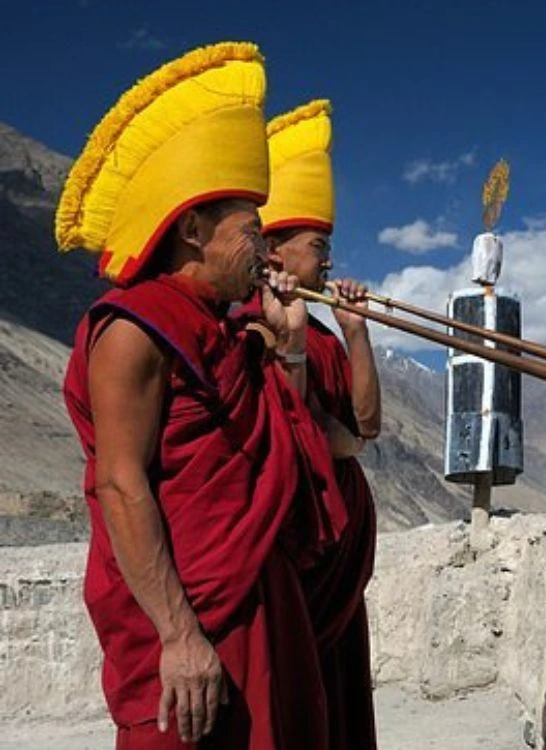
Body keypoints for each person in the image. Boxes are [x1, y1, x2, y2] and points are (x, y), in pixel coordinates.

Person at [57, 42, 344, 748]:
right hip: (190, 615)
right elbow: (121, 486)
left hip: (260, 600)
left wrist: (290, 348)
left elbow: (306, 452)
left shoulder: (235, 332)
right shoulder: (135, 329)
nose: (265, 250)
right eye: (251, 229)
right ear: (191, 230)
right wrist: (179, 636)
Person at [253, 99, 381, 749]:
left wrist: (356, 335)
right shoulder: (254, 323)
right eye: (317, 247)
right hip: (298, 551)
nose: (328, 261)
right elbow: (310, 431)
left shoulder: (326, 334)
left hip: (339, 562)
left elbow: (366, 426)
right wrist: (345, 439)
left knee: (343, 702)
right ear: (274, 250)